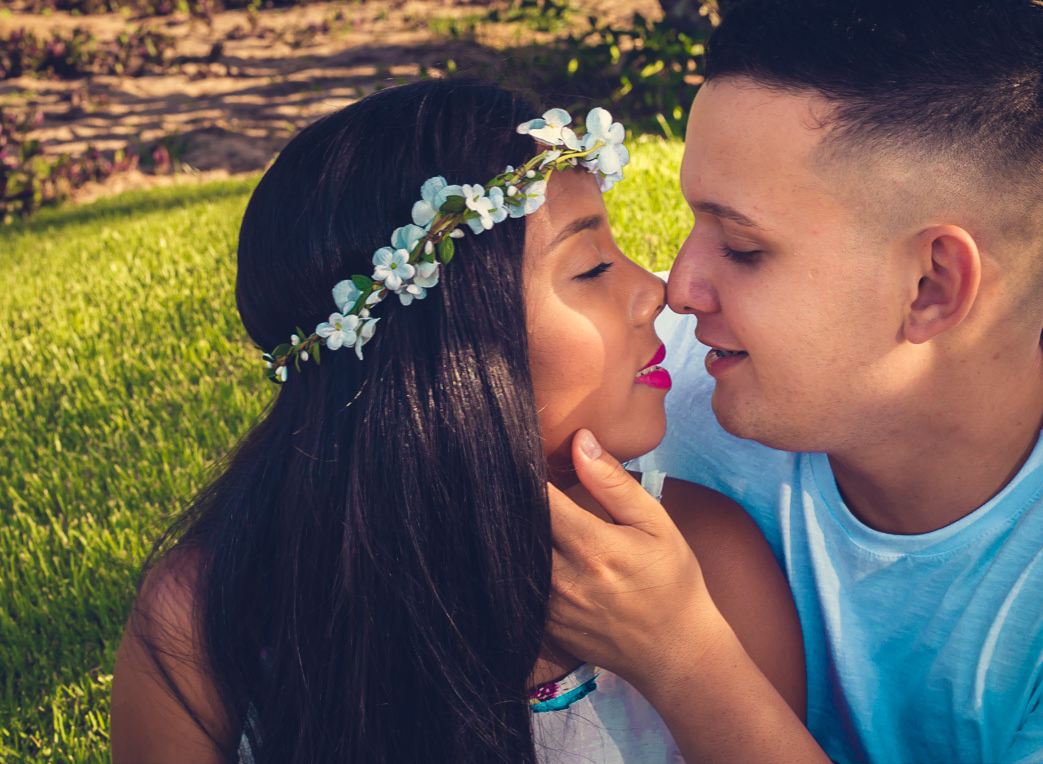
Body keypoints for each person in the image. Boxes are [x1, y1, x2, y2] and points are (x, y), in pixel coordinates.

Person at [545, 0, 1043, 763]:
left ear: (931, 286)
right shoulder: (664, 386)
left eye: (744, 249)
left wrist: (685, 658)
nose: (679, 290)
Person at [108, 79, 806, 763]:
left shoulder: (708, 566)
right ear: (446, 348)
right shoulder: (212, 622)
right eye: (592, 268)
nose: (655, 292)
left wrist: (682, 657)